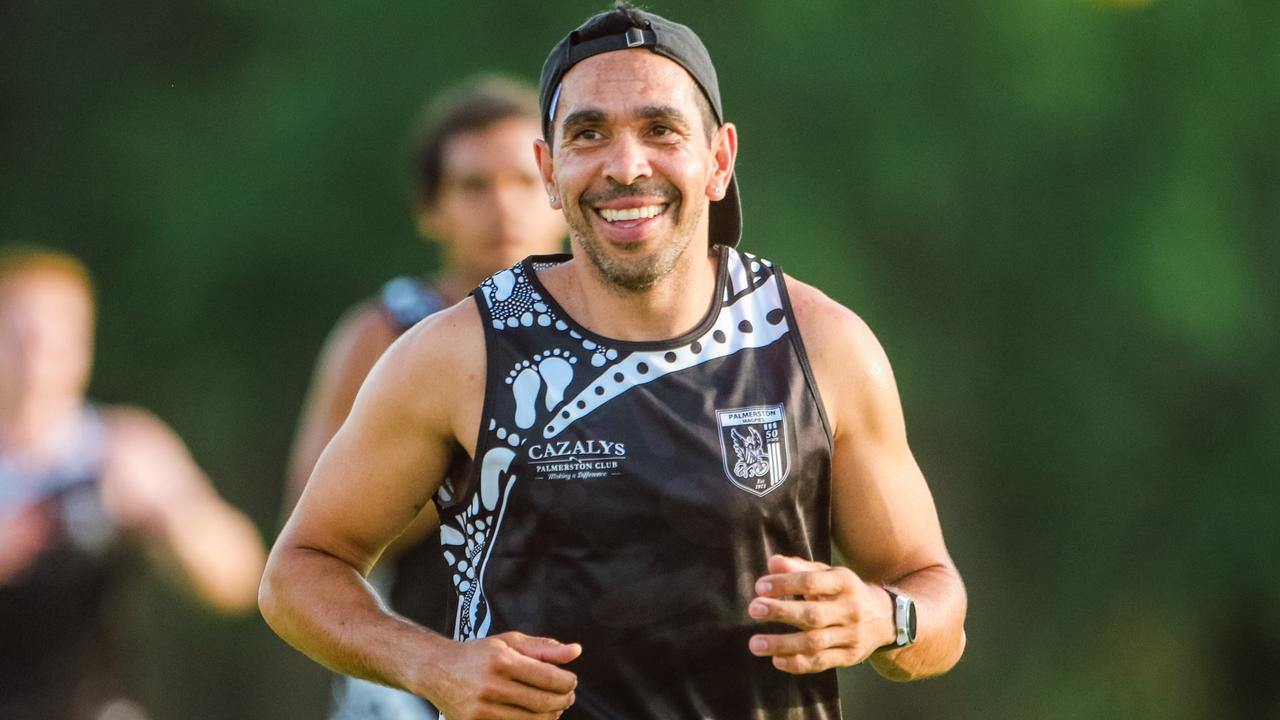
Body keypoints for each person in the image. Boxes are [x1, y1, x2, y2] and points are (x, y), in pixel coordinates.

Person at [261, 5, 968, 719]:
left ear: (719, 160)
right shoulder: (459, 352)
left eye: (660, 129)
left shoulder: (821, 344)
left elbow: (937, 604)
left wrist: (887, 618)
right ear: (549, 168)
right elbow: (298, 570)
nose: (626, 167)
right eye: (589, 134)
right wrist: (434, 665)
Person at [284, 76, 566, 718]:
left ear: (558, 190)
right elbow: (307, 537)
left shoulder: (616, 330)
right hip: (416, 677)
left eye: (523, 182)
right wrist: (478, 462)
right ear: (430, 209)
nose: (503, 207)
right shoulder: (390, 330)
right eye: (474, 186)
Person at [0, 245, 266, 720]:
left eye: (58, 341)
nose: (38, 360)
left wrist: (174, 518)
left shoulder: (122, 448)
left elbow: (240, 578)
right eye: (21, 338)